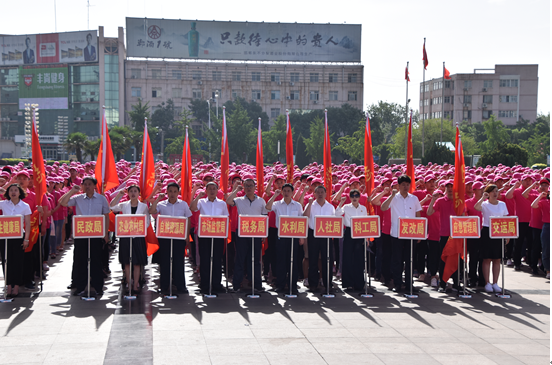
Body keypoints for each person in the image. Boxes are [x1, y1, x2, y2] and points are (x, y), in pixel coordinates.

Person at [226, 178, 278, 293]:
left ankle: (256, 283)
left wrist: (264, 234)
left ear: (255, 187)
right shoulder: (239, 200)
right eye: (246, 186)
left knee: (255, 259)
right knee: (240, 258)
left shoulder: (261, 201)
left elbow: (265, 217)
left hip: (256, 233)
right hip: (242, 233)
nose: (249, 188)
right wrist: (236, 190)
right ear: (244, 188)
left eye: (251, 185)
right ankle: (237, 284)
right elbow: (228, 201)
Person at [60, 176, 110, 296]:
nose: (87, 186)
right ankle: (80, 286)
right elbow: (63, 202)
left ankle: (98, 287)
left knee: (96, 260)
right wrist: (72, 191)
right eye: (85, 184)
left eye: (89, 184)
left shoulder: (102, 199)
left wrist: (105, 233)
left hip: (96, 233)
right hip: (81, 233)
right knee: (80, 260)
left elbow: (106, 216)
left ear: (94, 186)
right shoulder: (78, 198)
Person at [381, 175, 422, 293]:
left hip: (411, 233)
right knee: (397, 259)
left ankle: (409, 284)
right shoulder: (394, 198)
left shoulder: (414, 198)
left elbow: (418, 215)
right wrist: (392, 195)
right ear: (398, 186)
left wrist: (419, 233)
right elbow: (383, 208)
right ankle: (398, 283)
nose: (405, 187)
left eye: (407, 184)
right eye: (403, 184)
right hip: (397, 233)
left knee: (410, 259)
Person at [149, 182, 192, 294]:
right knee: (165, 262)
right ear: (167, 192)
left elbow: (188, 219)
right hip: (165, 237)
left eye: (175, 191)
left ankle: (180, 286)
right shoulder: (161, 204)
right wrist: (157, 199)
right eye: (170, 191)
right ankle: (164, 286)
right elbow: (152, 211)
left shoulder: (183, 204)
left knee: (179, 261)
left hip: (179, 237)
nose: (172, 194)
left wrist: (187, 236)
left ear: (178, 192)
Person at [265, 183, 304, 294]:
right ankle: (280, 284)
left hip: (294, 236)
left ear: (292, 193)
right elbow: (267, 208)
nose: (286, 193)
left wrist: (301, 237)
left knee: (293, 261)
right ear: (282, 192)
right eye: (284, 191)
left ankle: (293, 285)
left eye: (288, 191)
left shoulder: (297, 205)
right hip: (281, 236)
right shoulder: (277, 204)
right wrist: (274, 195)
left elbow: (301, 220)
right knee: (281, 261)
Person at [110, 185, 150, 293]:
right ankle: (128, 284)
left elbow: (147, 221)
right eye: (131, 191)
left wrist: (139, 229)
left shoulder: (143, 206)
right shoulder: (123, 205)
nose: (133, 193)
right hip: (126, 237)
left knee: (137, 262)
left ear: (138, 193)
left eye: (135, 191)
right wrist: (119, 195)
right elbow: (112, 207)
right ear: (128, 193)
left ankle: (136, 285)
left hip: (138, 237)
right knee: (127, 261)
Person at [190, 181, 229, 294]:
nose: (212, 191)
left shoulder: (222, 203)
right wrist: (198, 196)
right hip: (204, 234)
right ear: (206, 191)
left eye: (214, 189)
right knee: (205, 259)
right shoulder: (201, 202)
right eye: (210, 189)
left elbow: (225, 217)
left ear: (217, 191)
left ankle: (217, 284)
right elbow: (192, 208)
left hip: (218, 234)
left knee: (217, 259)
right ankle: (205, 284)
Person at [427, 180, 463, 293]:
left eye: (452, 187)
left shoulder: (460, 201)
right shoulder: (440, 201)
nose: (450, 189)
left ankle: (457, 283)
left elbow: (463, 215)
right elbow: (429, 212)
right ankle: (442, 283)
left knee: (458, 259)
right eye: (448, 187)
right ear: (445, 190)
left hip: (457, 235)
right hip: (444, 235)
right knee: (443, 259)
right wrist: (433, 199)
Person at [475, 184, 509, 293]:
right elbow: (476, 207)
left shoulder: (503, 204)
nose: (495, 193)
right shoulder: (484, 204)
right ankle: (487, 282)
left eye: (497, 191)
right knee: (487, 259)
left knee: (497, 259)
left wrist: (507, 235)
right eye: (493, 191)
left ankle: (495, 283)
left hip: (499, 232)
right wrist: (482, 198)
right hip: (487, 232)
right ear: (488, 193)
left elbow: (505, 219)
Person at [0, 184, 32, 297]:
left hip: (19, 236)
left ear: (20, 193)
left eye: (15, 190)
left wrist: (26, 239)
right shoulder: (3, 204)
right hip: (5, 236)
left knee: (18, 261)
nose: (13, 192)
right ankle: (8, 285)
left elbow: (28, 224)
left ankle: (17, 286)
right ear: (8, 193)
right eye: (11, 190)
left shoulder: (25, 206)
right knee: (6, 260)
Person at [303, 185, 336, 293]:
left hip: (326, 234)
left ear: (326, 194)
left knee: (327, 259)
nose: (320, 194)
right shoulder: (311, 205)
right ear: (314, 194)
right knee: (313, 259)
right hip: (313, 234)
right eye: (318, 192)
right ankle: (313, 284)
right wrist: (310, 203)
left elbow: (334, 221)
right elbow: (305, 216)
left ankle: (327, 283)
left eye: (322, 192)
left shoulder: (330, 207)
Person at [335, 189, 368, 291]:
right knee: (347, 258)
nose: (354, 198)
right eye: (352, 196)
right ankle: (348, 283)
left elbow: (365, 222)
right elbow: (337, 214)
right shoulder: (346, 207)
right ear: (350, 197)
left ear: (359, 197)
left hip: (360, 232)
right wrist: (341, 202)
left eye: (356, 196)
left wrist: (366, 238)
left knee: (359, 259)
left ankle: (359, 283)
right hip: (349, 232)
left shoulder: (363, 208)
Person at [506, 175, 535, 271]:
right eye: (525, 180)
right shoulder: (517, 191)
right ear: (521, 181)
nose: (528, 182)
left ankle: (531, 263)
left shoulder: (534, 191)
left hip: (532, 221)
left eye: (529, 180)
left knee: (531, 244)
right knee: (518, 243)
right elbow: (508, 196)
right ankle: (517, 262)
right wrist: (514, 186)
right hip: (520, 221)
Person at [531, 183, 550, 279]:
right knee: (546, 249)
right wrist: (540, 196)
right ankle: (548, 270)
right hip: (547, 226)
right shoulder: (544, 202)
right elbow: (533, 205)